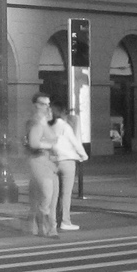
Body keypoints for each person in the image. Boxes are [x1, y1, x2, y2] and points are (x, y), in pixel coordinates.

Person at [25, 94, 86, 236]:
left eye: (48, 104)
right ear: (36, 105)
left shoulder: (45, 123)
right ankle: (42, 222)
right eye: (44, 104)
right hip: (39, 161)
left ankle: (49, 226)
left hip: (51, 163)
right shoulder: (35, 122)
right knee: (46, 195)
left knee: (51, 196)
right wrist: (48, 145)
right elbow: (34, 143)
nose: (47, 107)